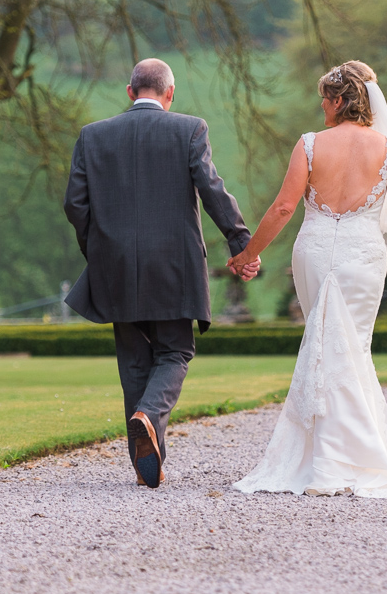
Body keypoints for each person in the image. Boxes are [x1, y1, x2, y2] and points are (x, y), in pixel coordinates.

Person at [228, 61, 387, 498]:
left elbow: (283, 208)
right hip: (362, 255)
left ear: (339, 100)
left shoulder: (311, 145)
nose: (321, 105)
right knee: (352, 346)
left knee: (322, 342)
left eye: (324, 98)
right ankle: (352, 456)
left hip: (315, 251)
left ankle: (323, 459)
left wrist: (248, 254)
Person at [63, 58, 259, 489]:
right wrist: (240, 242)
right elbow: (212, 189)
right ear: (169, 95)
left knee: (134, 358)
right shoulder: (189, 129)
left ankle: (145, 456)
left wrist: (100, 250)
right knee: (175, 351)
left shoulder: (92, 136)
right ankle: (147, 419)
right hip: (174, 265)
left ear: (130, 92)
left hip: (113, 265)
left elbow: (75, 204)